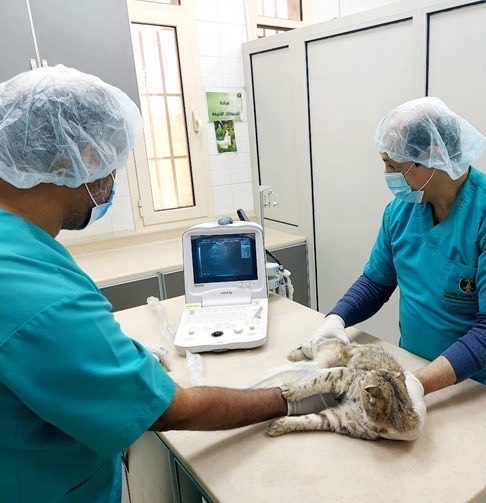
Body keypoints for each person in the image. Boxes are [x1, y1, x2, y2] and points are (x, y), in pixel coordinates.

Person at [0, 65, 305, 501]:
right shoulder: (37, 289)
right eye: (113, 163)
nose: (112, 181)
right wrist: (289, 396)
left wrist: (120, 356)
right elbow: (168, 410)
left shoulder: (17, 247)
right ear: (85, 157)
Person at [300, 97, 486, 408]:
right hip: (420, 377)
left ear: (432, 157)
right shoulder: (400, 211)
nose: (387, 174)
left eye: (394, 165)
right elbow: (376, 282)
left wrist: (418, 383)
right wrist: (337, 318)